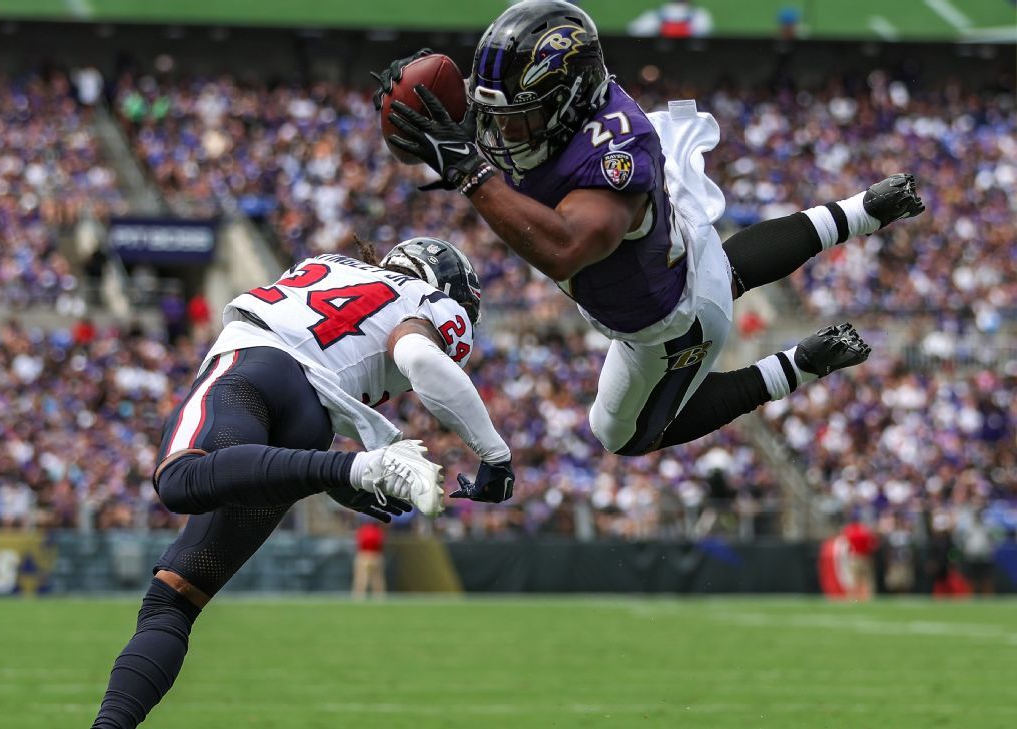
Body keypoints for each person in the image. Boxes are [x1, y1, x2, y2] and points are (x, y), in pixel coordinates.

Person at [374, 0, 924, 457]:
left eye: (519, 115)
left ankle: (800, 364)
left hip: (670, 323)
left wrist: (471, 172)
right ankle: (867, 209)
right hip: (678, 252)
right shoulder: (556, 105)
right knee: (724, 270)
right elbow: (482, 117)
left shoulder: (612, 155)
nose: (501, 129)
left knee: (621, 436)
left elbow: (564, 249)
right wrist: (423, 105)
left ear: (566, 102)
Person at [91, 238, 516, 728]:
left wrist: (351, 470)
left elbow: (390, 352)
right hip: (311, 423)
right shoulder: (426, 303)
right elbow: (416, 356)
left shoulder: (327, 264)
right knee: (177, 597)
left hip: (255, 371)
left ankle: (356, 467)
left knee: (181, 477)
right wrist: (495, 457)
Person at [351, 519, 387, 600]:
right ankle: (379, 598)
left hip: (363, 555)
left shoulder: (362, 530)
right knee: (377, 579)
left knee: (361, 578)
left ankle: (358, 597)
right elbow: (381, 543)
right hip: (376, 555)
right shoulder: (378, 531)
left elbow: (359, 543)